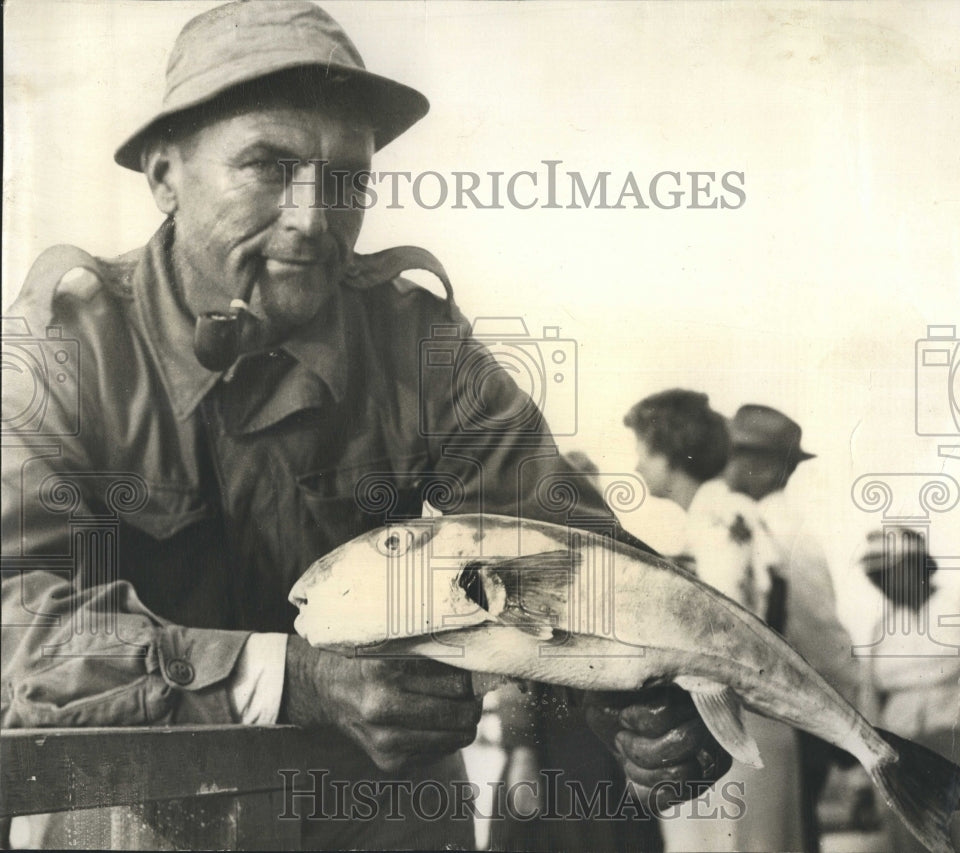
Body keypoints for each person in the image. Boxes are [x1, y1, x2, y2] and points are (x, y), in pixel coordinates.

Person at [0, 2, 729, 849]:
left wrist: (651, 702)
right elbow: (17, 625)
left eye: (346, 179)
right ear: (165, 174)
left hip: (385, 820)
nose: (314, 221)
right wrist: (289, 677)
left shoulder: (419, 344)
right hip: (139, 817)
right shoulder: (61, 352)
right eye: (269, 166)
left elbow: (569, 559)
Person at [625, 390, 808, 852]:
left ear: (670, 455)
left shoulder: (722, 516)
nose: (637, 466)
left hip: (736, 722)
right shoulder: (708, 517)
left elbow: (727, 628)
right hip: (728, 723)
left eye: (642, 451)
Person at [724, 404, 860, 851]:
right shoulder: (745, 522)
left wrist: (845, 729)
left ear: (764, 468)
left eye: (735, 455)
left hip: (792, 724)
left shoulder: (786, 532)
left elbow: (823, 640)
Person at [858, 528, 960, 853]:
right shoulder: (881, 629)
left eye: (888, 571)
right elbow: (870, 702)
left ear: (916, 564)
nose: (881, 582)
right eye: (875, 575)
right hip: (906, 757)